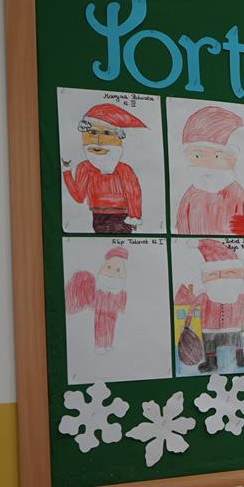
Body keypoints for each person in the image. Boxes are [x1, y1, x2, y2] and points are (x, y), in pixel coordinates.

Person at [62, 103, 145, 234]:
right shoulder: (84, 167)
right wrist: (67, 173)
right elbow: (79, 197)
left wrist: (134, 216)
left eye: (106, 133)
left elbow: (133, 193)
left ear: (118, 138)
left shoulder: (124, 169)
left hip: (122, 218)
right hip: (98, 218)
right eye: (93, 132)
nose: (99, 141)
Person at [174, 105, 244, 236]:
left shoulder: (238, 198)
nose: (207, 164)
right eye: (197, 156)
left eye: (217, 156)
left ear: (232, 159)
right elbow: (181, 229)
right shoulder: (190, 196)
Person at [184, 240, 244, 373]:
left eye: (229, 274)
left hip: (233, 327)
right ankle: (211, 363)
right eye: (215, 275)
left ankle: (239, 359)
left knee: (235, 341)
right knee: (210, 344)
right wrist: (187, 324)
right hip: (209, 329)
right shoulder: (205, 296)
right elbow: (192, 308)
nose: (221, 280)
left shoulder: (240, 296)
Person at [64, 246, 129, 354]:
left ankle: (108, 344)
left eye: (118, 270)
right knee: (100, 329)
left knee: (111, 328)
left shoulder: (120, 292)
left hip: (112, 314)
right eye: (108, 267)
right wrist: (92, 305)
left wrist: (121, 307)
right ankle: (99, 345)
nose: (112, 272)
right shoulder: (99, 290)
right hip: (100, 314)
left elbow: (122, 300)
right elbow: (95, 299)